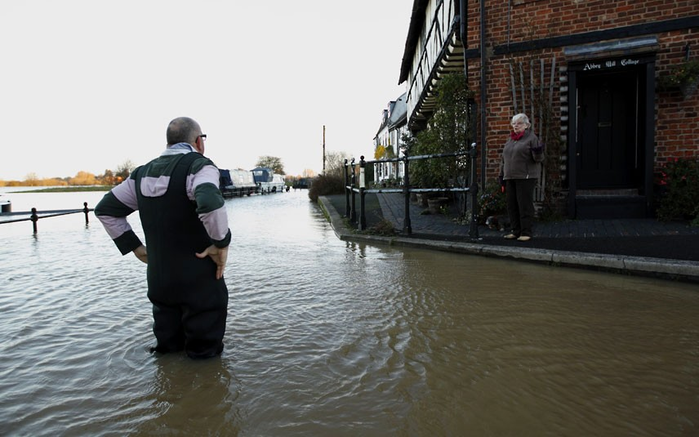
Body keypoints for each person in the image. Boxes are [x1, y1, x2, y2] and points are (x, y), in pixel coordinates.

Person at [95, 117, 231, 359]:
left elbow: (106, 209)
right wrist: (221, 244)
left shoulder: (140, 174)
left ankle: (166, 393)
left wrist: (135, 247)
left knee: (167, 353)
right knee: (205, 358)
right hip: (199, 282)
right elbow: (209, 201)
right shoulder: (199, 166)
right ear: (199, 142)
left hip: (159, 282)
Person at [499, 113, 545, 242]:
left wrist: (538, 151)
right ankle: (515, 231)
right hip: (510, 177)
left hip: (525, 177)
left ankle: (526, 232)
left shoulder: (531, 138)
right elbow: (504, 159)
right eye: (514, 123)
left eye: (519, 123)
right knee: (511, 205)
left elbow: (539, 159)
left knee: (524, 205)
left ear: (526, 125)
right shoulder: (511, 139)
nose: (516, 126)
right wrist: (501, 175)